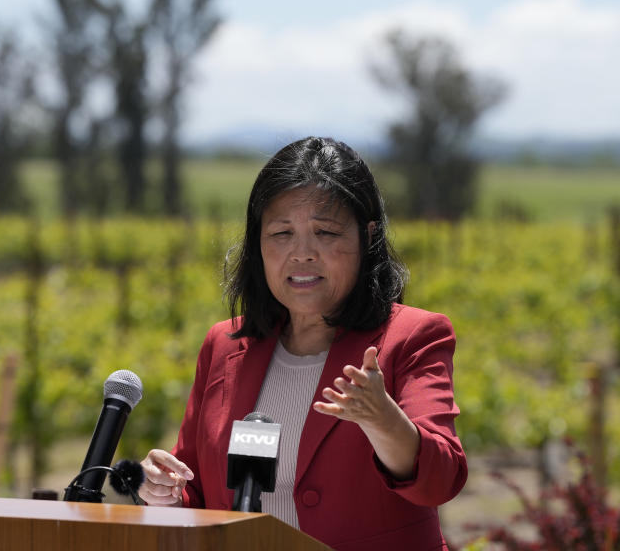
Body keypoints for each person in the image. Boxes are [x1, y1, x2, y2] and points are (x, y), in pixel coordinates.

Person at [139, 137, 467, 551]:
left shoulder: (413, 338)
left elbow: (440, 480)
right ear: (258, 241)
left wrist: (383, 420)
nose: (301, 254)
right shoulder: (224, 344)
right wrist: (165, 491)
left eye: (325, 232)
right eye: (281, 233)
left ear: (368, 236)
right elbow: (198, 493)